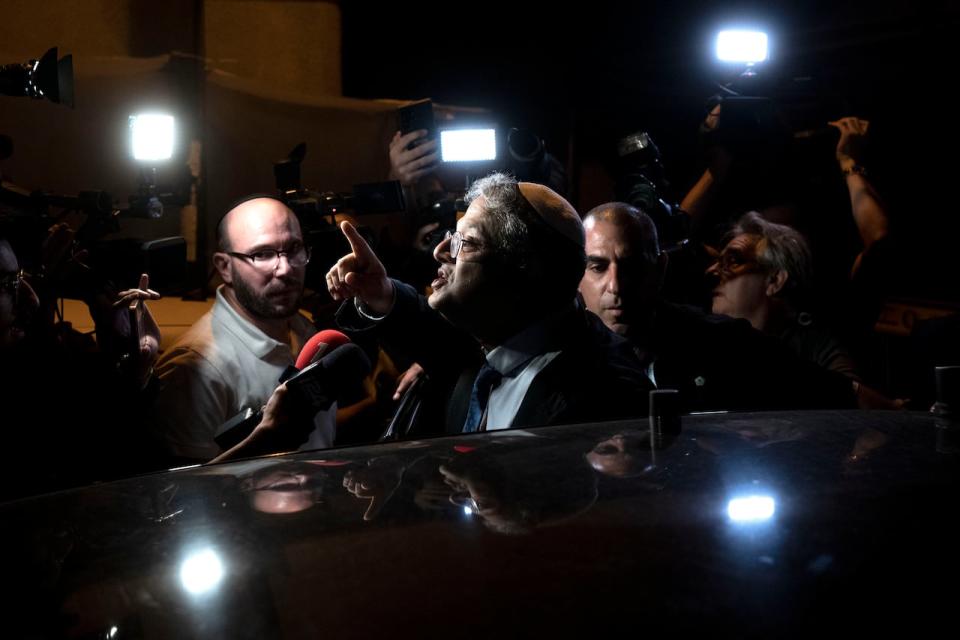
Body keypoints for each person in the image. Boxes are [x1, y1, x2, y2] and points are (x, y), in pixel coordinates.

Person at [327, 172, 649, 435]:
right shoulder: (491, 339)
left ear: (524, 269)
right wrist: (379, 291)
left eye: (464, 243)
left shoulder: (607, 396)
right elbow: (425, 325)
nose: (440, 252)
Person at [578, 202, 856, 413]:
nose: (615, 285)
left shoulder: (722, 341)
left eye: (633, 266)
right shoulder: (557, 354)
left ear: (660, 269)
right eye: (598, 266)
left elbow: (840, 393)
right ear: (576, 273)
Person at [151, 196, 334, 463]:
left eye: (294, 248)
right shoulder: (196, 367)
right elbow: (181, 495)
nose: (284, 269)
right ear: (225, 267)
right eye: (262, 254)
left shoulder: (304, 329)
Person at [707, 211, 904, 409]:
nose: (712, 271)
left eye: (733, 260)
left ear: (774, 280)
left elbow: (855, 415)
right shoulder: (705, 341)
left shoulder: (817, 349)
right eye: (716, 261)